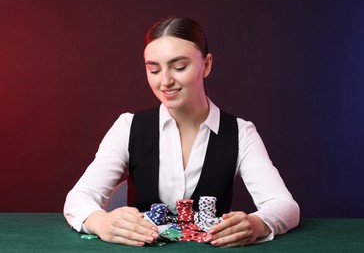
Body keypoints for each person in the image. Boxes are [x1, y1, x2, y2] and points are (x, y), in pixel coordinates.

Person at [64, 17, 300, 247]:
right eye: (154, 70)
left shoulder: (241, 132)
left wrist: (257, 224)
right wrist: (100, 221)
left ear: (206, 65)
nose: (165, 81)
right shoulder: (128, 126)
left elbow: (284, 205)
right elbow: (79, 197)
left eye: (179, 67)